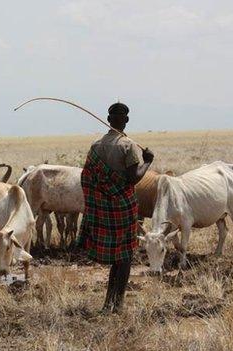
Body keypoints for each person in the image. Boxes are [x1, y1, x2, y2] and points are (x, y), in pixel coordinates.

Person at [77, 102, 154, 313]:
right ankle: (117, 305)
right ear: (126, 120)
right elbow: (133, 178)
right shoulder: (127, 146)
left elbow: (87, 179)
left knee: (116, 259)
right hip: (123, 208)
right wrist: (147, 162)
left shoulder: (95, 146)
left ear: (109, 120)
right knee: (125, 258)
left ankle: (108, 304)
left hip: (104, 210)